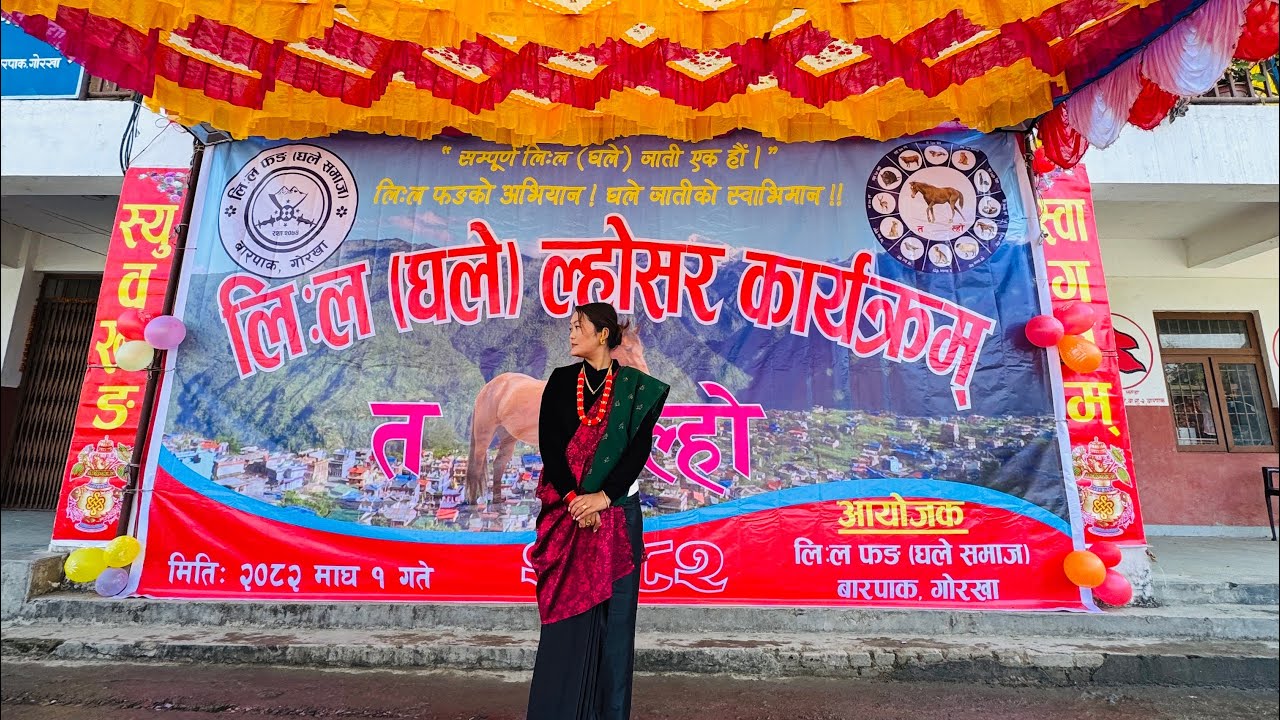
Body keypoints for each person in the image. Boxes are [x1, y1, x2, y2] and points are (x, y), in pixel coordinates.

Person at [526, 302, 669, 720]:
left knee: (617, 628)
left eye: (578, 326)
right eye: (570, 326)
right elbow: (551, 448)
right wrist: (575, 501)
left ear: (603, 334)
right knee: (566, 622)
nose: (570, 333)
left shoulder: (636, 389)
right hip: (568, 517)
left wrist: (604, 498)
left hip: (619, 516)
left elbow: (636, 451)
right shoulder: (559, 382)